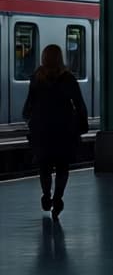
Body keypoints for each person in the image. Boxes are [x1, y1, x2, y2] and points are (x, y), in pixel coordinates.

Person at [23, 44, 88, 219]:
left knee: (44, 166)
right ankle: (58, 198)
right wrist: (82, 125)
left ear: (43, 58)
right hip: (64, 130)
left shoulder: (37, 78)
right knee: (62, 167)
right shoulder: (69, 79)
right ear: (60, 58)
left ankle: (46, 195)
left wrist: (30, 120)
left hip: (42, 130)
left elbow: (28, 106)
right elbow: (79, 104)